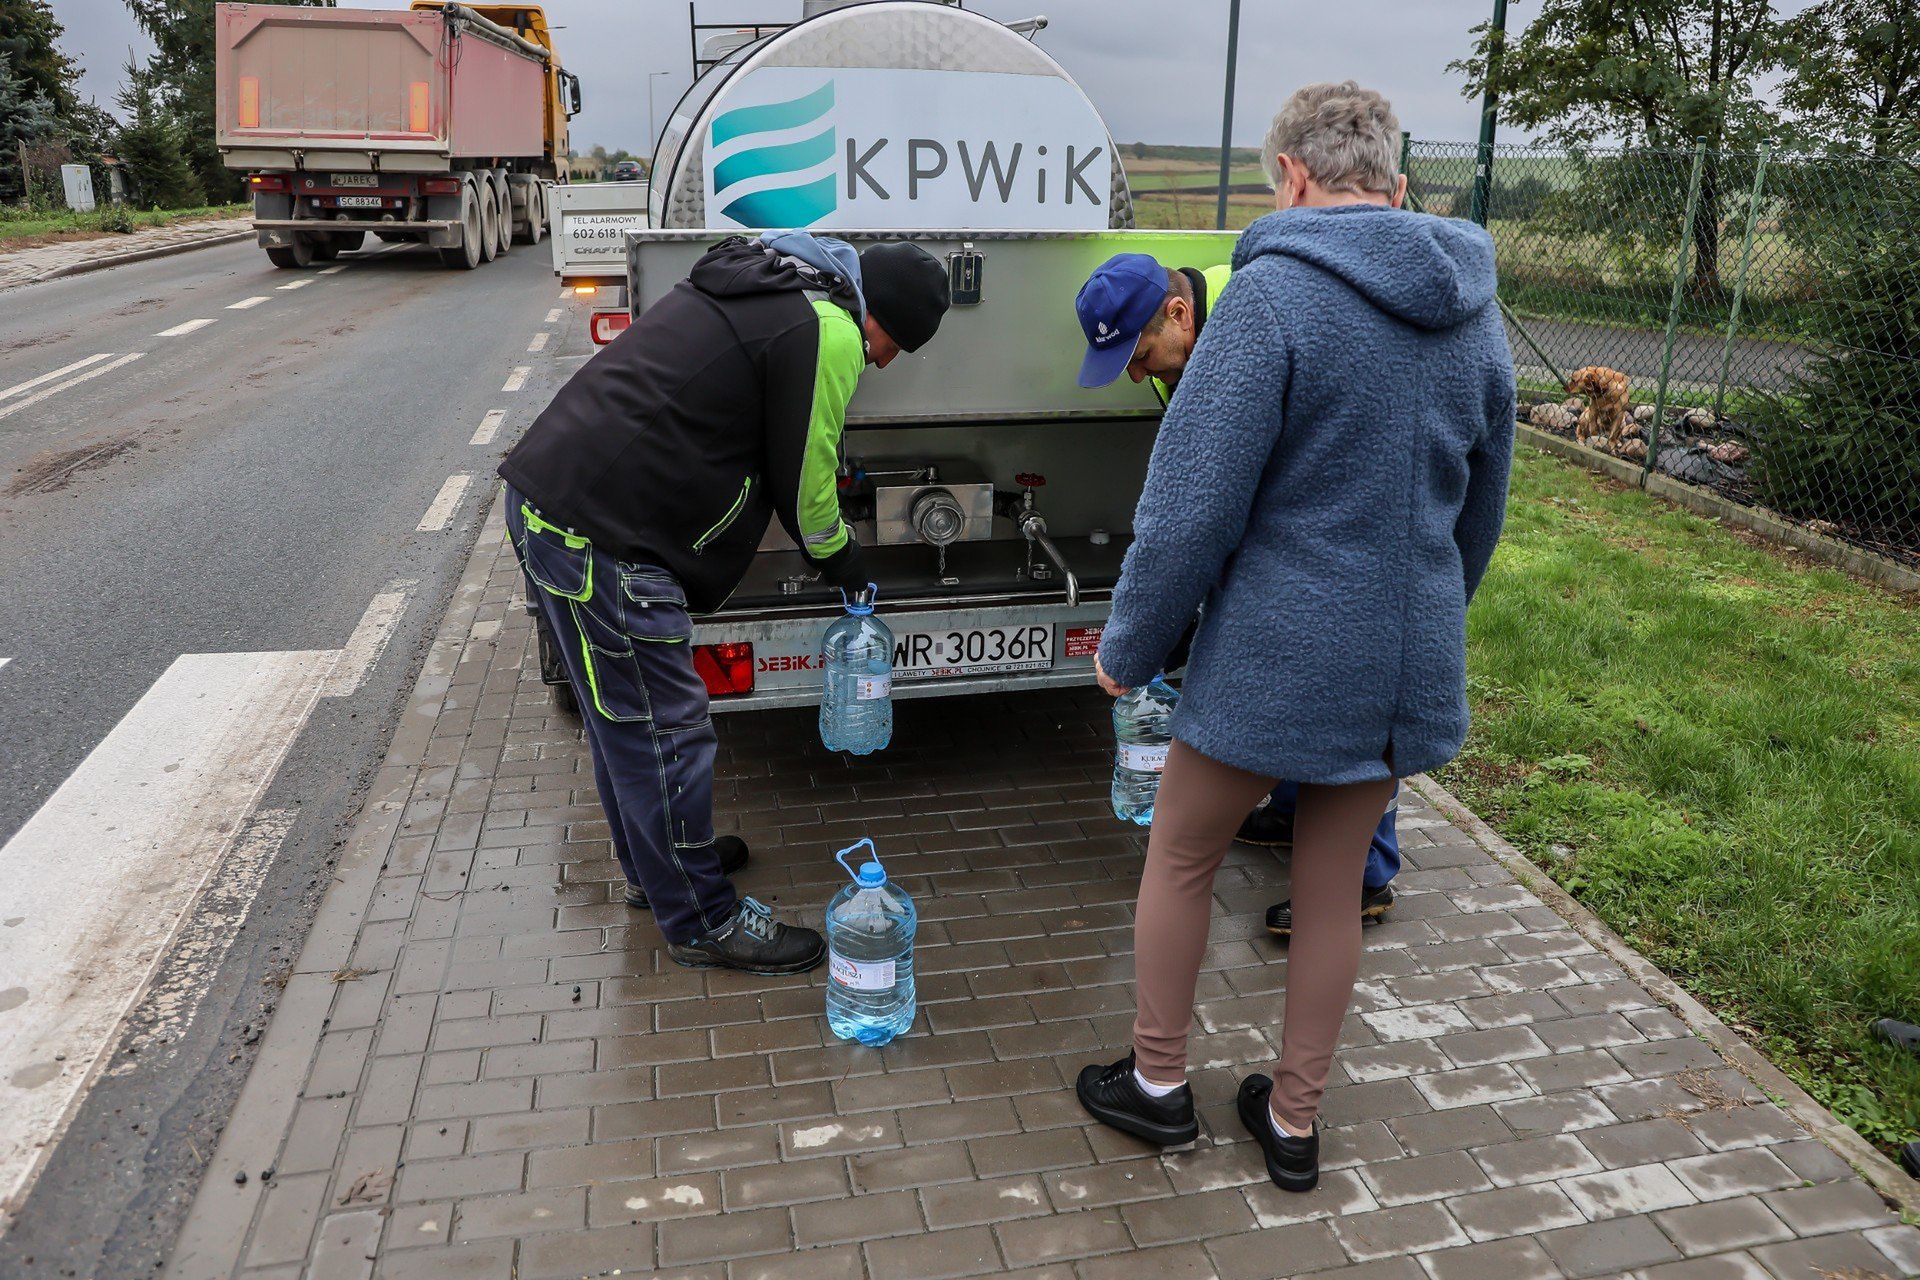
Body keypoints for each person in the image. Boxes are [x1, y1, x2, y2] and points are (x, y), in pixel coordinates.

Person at [1073, 82, 1516, 1192]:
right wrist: (1422, 616)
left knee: (1180, 852)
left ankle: (1162, 1085)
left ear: (1292, 177)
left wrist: (1130, 642)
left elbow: (1191, 508)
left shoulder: (1272, 299)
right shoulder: (1475, 310)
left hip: (1275, 650)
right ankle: (1295, 1120)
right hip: (1400, 656)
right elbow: (1485, 505)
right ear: (1399, 185)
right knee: (1330, 890)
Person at [497, 231, 950, 976]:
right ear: (884, 319)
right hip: (602, 538)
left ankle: (662, 875)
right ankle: (703, 920)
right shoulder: (829, 329)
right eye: (892, 347)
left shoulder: (776, 290)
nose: (879, 364)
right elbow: (810, 492)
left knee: (627, 728)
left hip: (559, 507)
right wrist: (846, 562)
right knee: (668, 733)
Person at [1073, 254, 1402, 932]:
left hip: (1351, 528)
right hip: (1285, 525)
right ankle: (1288, 807)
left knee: (1341, 693)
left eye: (1138, 355)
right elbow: (1202, 487)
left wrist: (1143, 631)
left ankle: (1363, 876)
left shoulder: (1254, 325)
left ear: (1178, 313)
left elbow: (1195, 511)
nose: (1136, 375)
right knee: (1274, 668)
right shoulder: (1190, 347)